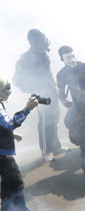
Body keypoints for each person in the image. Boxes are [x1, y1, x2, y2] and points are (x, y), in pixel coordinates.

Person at [0, 76, 45, 211]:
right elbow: (9, 124)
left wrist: (11, 135)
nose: (9, 91)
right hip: (2, 156)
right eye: (5, 88)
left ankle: (7, 207)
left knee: (7, 180)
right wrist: (27, 110)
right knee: (17, 184)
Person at [13, 29, 63, 162]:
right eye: (40, 40)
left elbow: (47, 73)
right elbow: (17, 81)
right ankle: (46, 152)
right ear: (33, 42)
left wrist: (53, 86)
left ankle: (56, 147)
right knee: (45, 122)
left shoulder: (43, 53)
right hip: (41, 94)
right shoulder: (25, 59)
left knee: (54, 120)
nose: (44, 42)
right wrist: (35, 90)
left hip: (51, 90)